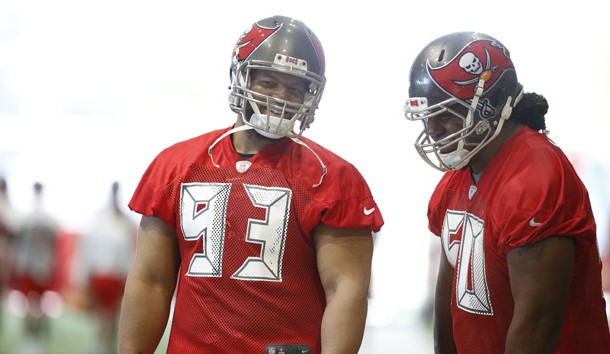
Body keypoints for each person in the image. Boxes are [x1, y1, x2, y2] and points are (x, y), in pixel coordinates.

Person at [118, 15, 384, 354]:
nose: (281, 97)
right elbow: (151, 280)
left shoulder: (332, 177)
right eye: (269, 82)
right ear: (240, 75)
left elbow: (345, 291)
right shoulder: (177, 165)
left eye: (294, 88)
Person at [403, 31, 610, 353]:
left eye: (444, 113)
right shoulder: (458, 176)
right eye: (428, 116)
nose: (432, 129)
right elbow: (448, 299)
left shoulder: (536, 177)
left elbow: (538, 323)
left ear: (489, 103)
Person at [80, 181, 136, 354]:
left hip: (114, 272)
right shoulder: (104, 219)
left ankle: (104, 346)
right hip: (105, 271)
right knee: (105, 314)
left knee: (108, 314)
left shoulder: (123, 221)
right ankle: (103, 346)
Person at [11, 181, 60, 352]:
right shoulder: (47, 220)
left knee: (32, 306)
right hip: (41, 267)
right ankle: (34, 339)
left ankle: (32, 340)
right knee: (35, 306)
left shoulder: (27, 219)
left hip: (31, 266)